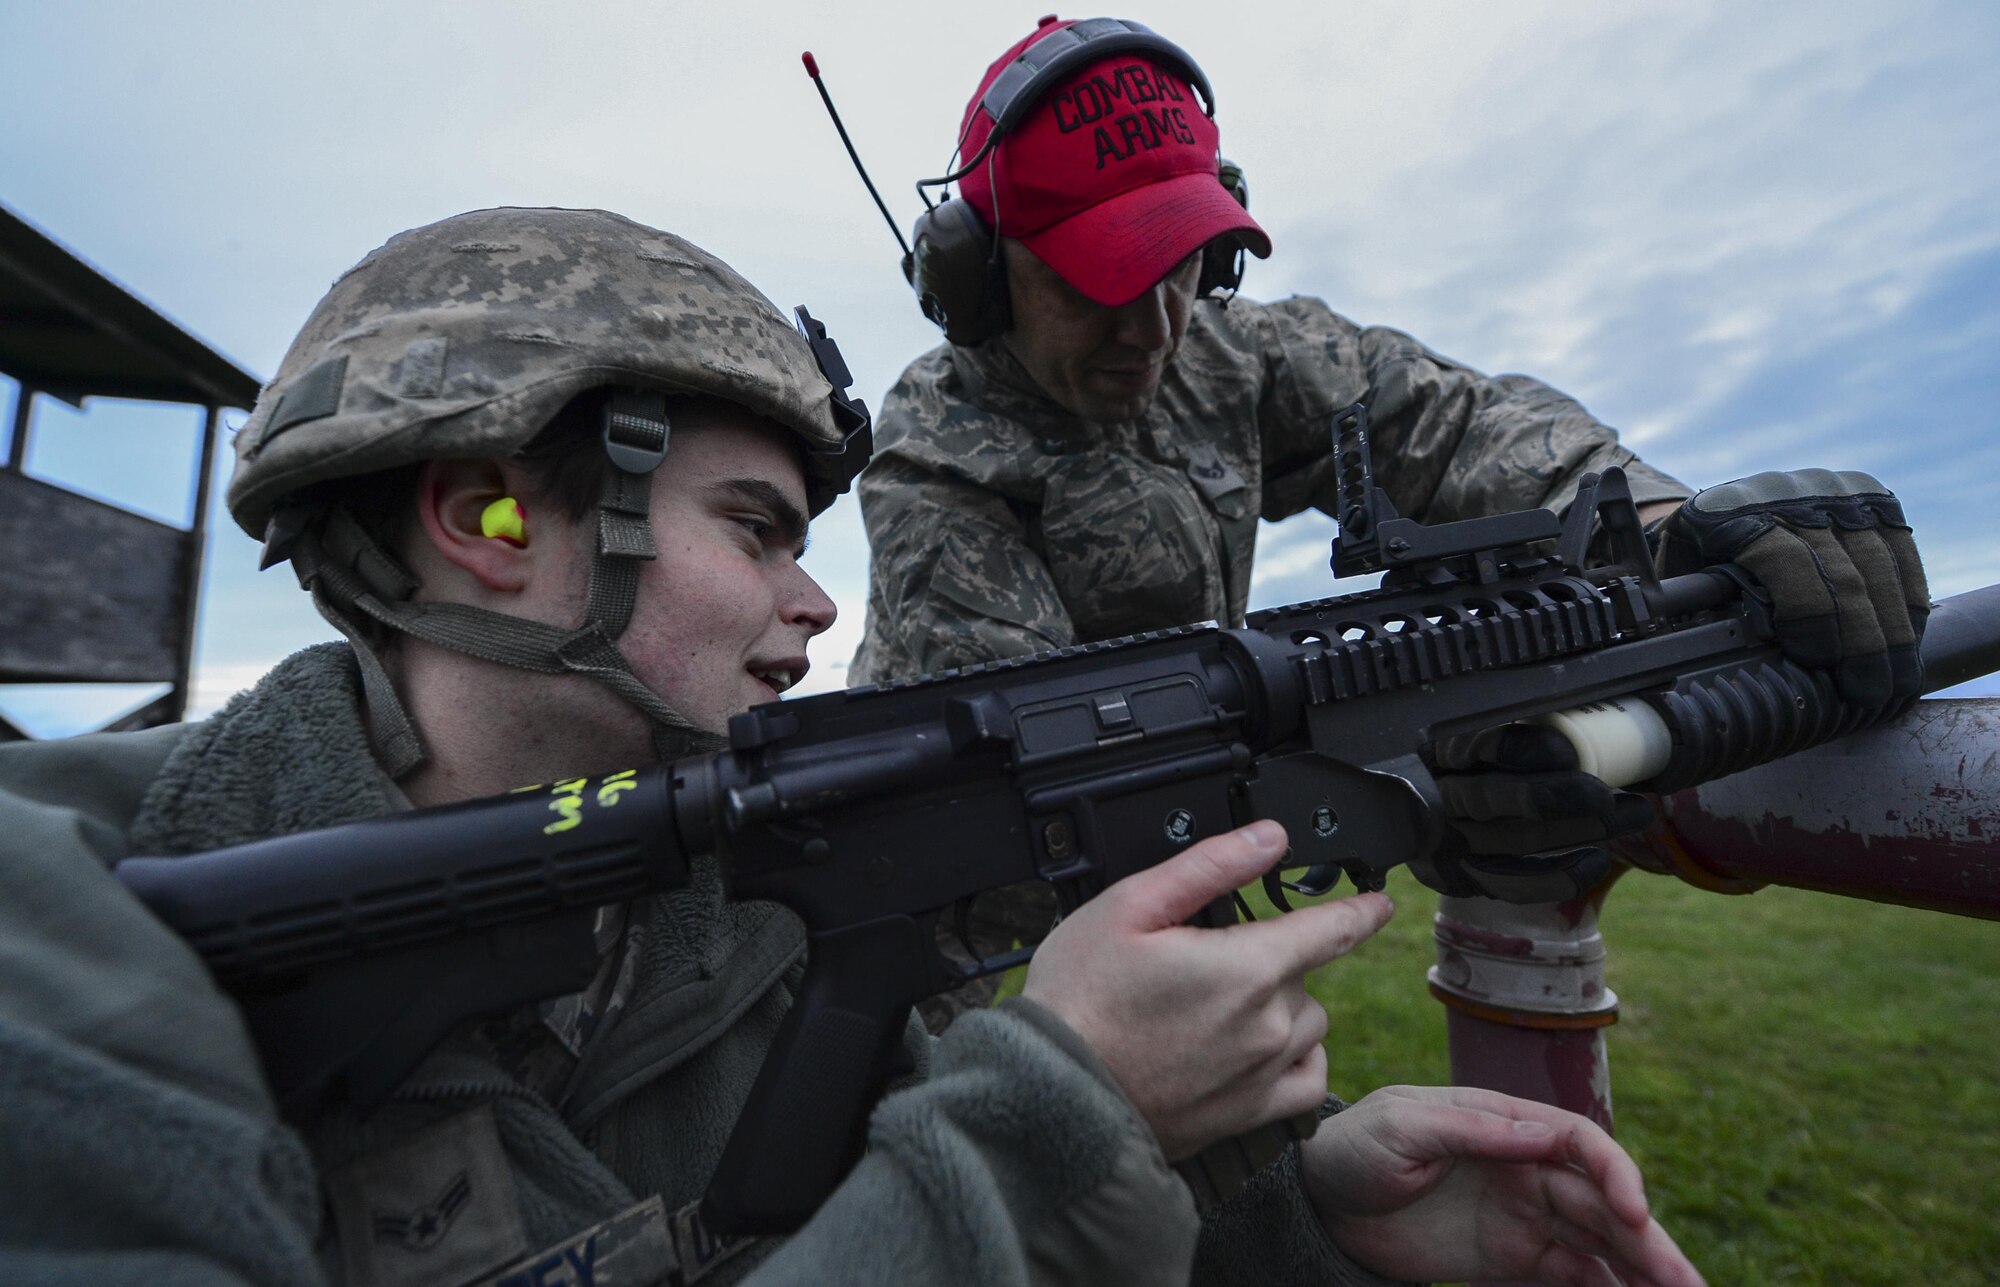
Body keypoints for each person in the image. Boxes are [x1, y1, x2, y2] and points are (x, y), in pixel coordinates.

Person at [0, 207, 1706, 1286]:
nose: (821, 605)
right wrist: (1051, 1105)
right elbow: (978, 1172)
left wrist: (1301, 1230)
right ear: (490, 516)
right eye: (755, 525)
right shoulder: (67, 924)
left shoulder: (760, 895)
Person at [850, 16, 1931, 1024]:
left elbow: (1449, 424)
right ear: (977, 277)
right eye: (1096, 280)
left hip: (1187, 881)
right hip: (953, 944)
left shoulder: (1227, 360)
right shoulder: (938, 455)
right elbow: (1055, 784)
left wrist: (1660, 529)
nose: (1153, 324)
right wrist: (1391, 784)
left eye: (1178, 263)